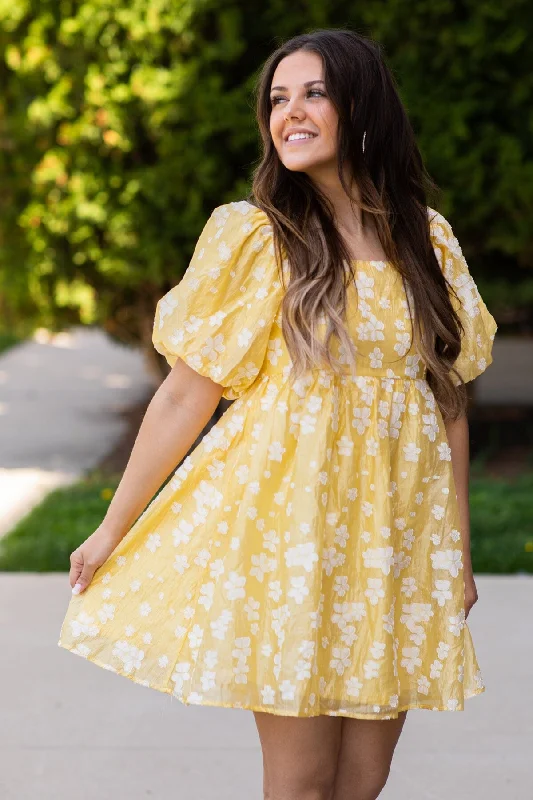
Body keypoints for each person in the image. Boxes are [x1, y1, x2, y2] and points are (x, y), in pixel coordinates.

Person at [58, 28, 497, 800]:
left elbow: (448, 402)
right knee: (300, 786)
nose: (288, 113)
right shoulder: (255, 236)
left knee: (362, 782)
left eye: (312, 94)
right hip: (291, 542)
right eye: (277, 98)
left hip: (395, 539)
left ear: (362, 108)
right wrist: (112, 526)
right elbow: (183, 395)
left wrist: (454, 549)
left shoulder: (427, 239)